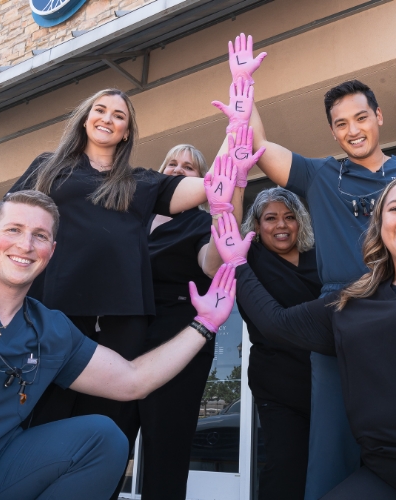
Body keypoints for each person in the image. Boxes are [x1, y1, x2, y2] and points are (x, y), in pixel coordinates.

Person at [241, 78, 396, 498]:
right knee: (331, 443)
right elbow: (258, 145)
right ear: (333, 132)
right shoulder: (320, 173)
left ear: (378, 116)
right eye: (341, 123)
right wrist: (245, 93)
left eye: (361, 117)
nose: (353, 129)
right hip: (342, 314)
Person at [0, 190, 237, 500]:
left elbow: (132, 381)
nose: (25, 245)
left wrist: (205, 324)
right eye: (13, 229)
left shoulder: (50, 329)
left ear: (52, 251)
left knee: (103, 438)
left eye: (39, 236)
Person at [8, 88, 212, 497]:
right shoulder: (48, 168)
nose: (108, 118)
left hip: (121, 322)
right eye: (100, 110)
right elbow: (11, 222)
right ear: (85, 119)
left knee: (105, 429)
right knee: (42, 419)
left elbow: (214, 186)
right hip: (54, 312)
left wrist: (240, 123)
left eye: (119, 115)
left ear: (126, 132)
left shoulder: (142, 182)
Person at [213, 176, 396, 499]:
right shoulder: (354, 299)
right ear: (380, 224)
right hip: (385, 471)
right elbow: (276, 324)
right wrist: (236, 263)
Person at [137, 144, 223, 500]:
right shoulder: (133, 218)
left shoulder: (202, 222)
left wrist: (222, 213)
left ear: (200, 181)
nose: (176, 169)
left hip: (178, 342)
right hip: (121, 337)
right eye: (170, 162)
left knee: (166, 452)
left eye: (188, 167)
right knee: (106, 439)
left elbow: (212, 265)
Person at [238, 188, 321, 500]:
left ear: (300, 222)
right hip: (278, 385)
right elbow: (225, 224)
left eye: (289, 217)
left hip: (328, 379)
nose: (281, 225)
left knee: (332, 464)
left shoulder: (321, 259)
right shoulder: (250, 259)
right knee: (286, 467)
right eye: (270, 218)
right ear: (257, 227)